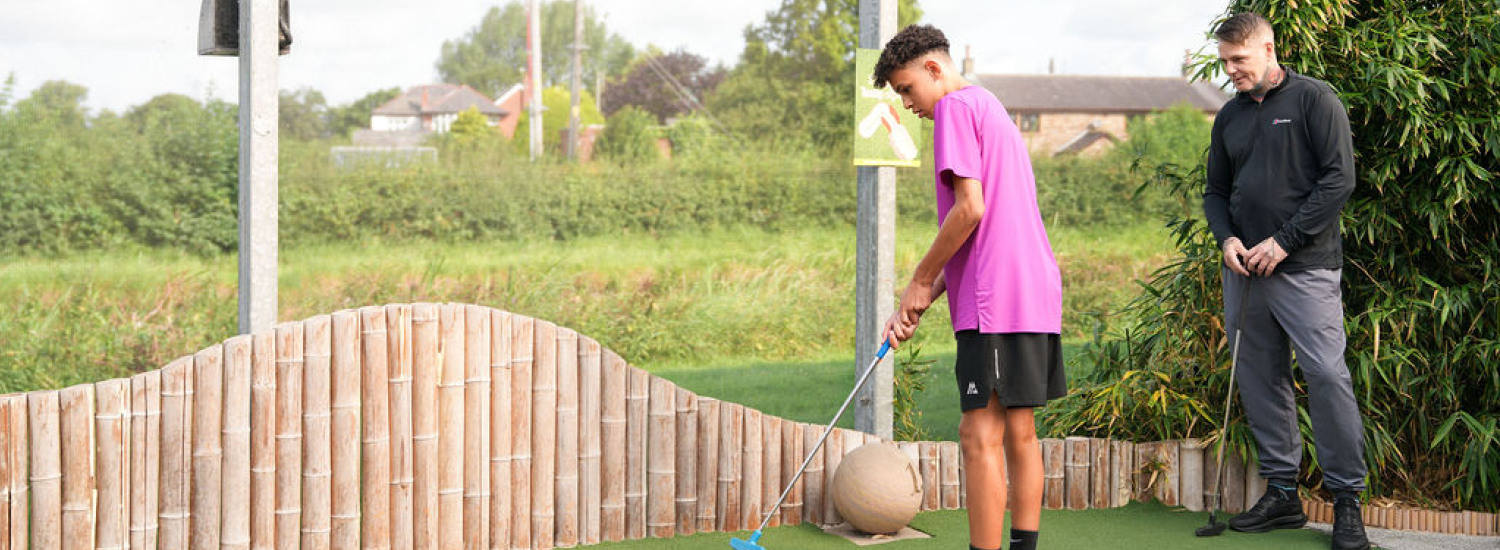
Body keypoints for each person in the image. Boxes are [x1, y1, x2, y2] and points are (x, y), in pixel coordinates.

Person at [873, 24, 1066, 550]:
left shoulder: (954, 110)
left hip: (994, 301)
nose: (908, 103)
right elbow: (982, 231)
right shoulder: (990, 106)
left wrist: (916, 279)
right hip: (1032, 293)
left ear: (933, 69)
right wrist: (921, 298)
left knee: (979, 435)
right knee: (1020, 434)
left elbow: (970, 209)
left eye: (908, 88)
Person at [1204, 12, 1369, 550]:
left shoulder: (1314, 99)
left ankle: (1347, 501)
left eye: (1239, 60)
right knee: (1259, 379)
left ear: (1269, 49)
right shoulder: (1228, 115)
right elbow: (1215, 191)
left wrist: (1284, 241)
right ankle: (1282, 493)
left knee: (1326, 376)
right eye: (1226, 61)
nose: (1231, 71)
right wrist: (1226, 239)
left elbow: (1339, 179)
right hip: (1245, 272)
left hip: (1306, 268)